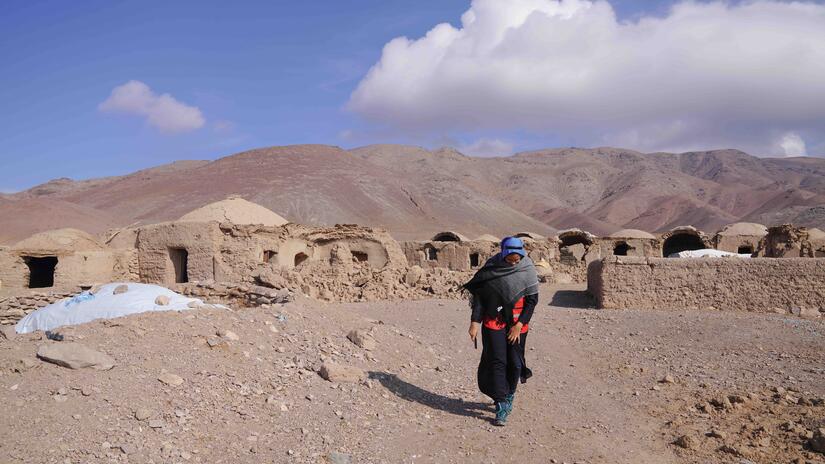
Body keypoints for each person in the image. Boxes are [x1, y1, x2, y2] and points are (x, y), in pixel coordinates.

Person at [464, 236, 539, 426]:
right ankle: (501, 402)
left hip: (517, 323)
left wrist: (519, 324)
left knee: (514, 363)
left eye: (517, 259)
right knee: (497, 360)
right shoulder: (492, 267)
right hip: (494, 321)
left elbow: (532, 301)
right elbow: (481, 298)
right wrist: (475, 322)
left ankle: (510, 393)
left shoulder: (527, 269)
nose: (514, 263)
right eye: (510, 259)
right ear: (503, 254)